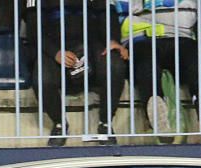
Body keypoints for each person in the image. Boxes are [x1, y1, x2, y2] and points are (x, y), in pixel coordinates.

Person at [23, 0, 129, 146]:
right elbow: (33, 30)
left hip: (92, 45)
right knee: (42, 79)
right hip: (54, 46)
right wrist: (55, 53)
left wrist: (112, 40)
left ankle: (105, 123)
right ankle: (59, 124)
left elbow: (107, 14)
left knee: (115, 66)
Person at [120, 0, 201, 141]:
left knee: (194, 58)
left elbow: (196, 16)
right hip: (141, 39)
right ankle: (158, 118)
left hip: (181, 37)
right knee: (147, 64)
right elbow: (121, 13)